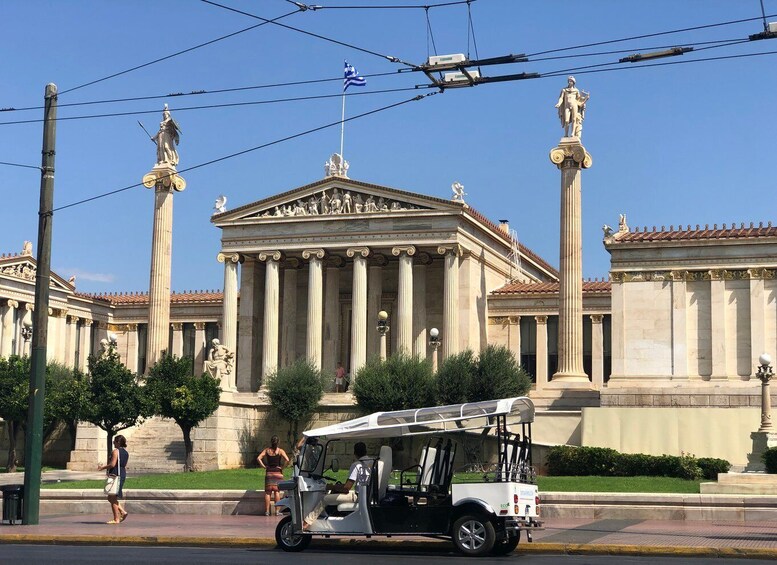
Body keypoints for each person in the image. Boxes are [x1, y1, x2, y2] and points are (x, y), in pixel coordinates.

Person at [303, 442, 372, 530]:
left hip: (359, 497)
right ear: (366, 451)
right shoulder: (372, 463)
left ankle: (306, 523)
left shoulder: (357, 465)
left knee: (325, 499)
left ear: (355, 453)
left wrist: (331, 487)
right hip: (367, 494)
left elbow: (347, 487)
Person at [97, 435, 129, 524]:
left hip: (115, 475)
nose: (113, 443)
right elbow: (124, 465)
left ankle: (116, 519)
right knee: (111, 497)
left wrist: (102, 467)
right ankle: (122, 512)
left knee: (112, 497)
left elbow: (112, 464)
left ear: (118, 442)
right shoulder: (126, 453)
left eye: (114, 441)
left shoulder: (116, 451)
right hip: (122, 474)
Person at [257, 435, 290, 516]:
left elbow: (258, 458)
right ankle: (277, 511)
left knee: (268, 493)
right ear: (278, 442)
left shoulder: (267, 450)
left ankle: (267, 511)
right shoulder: (280, 451)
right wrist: (282, 467)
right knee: (277, 492)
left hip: (269, 473)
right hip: (278, 473)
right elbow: (287, 460)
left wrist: (264, 466)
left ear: (271, 442)